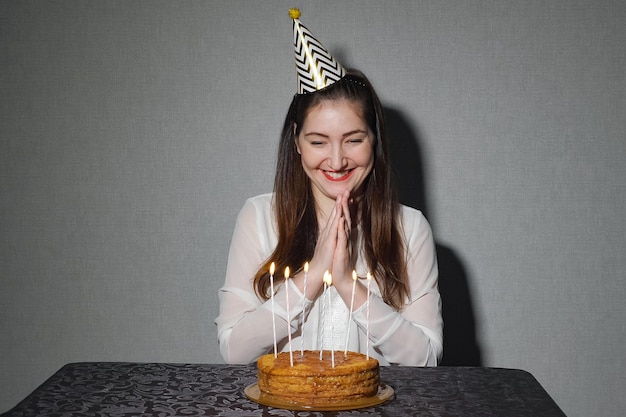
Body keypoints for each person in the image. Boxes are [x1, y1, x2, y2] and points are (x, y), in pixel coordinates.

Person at [215, 9, 442, 366]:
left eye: (353, 140)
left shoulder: (410, 228)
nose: (337, 161)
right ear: (297, 142)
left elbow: (426, 359)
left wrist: (349, 285)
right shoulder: (258, 217)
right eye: (319, 142)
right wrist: (313, 276)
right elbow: (234, 350)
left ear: (374, 140)